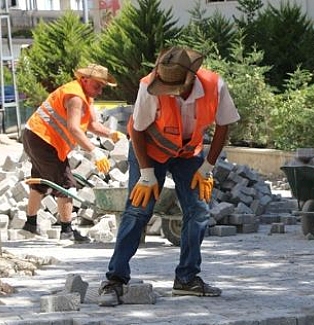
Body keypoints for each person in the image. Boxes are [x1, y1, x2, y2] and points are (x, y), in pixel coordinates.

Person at [98, 46, 240, 306]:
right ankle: (115, 280)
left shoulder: (215, 85)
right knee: (138, 211)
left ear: (191, 79)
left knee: (198, 211)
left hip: (187, 152)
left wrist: (207, 167)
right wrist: (147, 174)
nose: (169, 92)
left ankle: (187, 279)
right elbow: (138, 130)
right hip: (149, 150)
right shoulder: (148, 86)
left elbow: (224, 125)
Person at [22, 64, 123, 243]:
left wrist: (110, 133)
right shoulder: (75, 96)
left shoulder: (85, 96)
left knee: (40, 181)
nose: (99, 91)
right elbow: (74, 128)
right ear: (84, 79)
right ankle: (67, 231)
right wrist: (95, 152)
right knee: (66, 183)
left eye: (102, 87)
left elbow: (92, 125)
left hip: (36, 136)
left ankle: (29, 226)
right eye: (97, 85)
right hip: (43, 139)